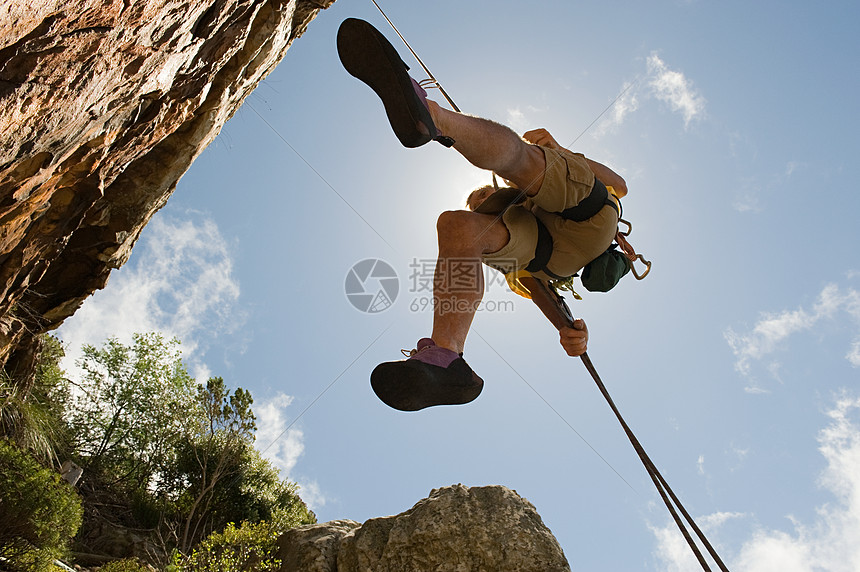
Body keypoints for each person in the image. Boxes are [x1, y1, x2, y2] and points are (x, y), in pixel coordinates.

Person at [338, 18, 626, 411]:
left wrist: (560, 151)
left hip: (589, 225)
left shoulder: (543, 179)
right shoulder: (512, 222)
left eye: (484, 195)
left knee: (526, 163)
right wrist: (566, 329)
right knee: (455, 226)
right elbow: (536, 283)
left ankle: (433, 117)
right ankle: (445, 360)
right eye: (481, 200)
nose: (481, 199)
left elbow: (618, 185)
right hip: (547, 257)